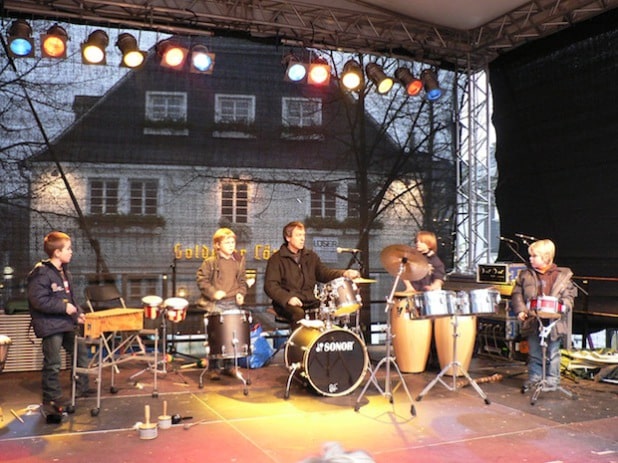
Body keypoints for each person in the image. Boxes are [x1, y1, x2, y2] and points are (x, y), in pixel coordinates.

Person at [27, 231, 90, 407]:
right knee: (53, 362)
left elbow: (70, 298)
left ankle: (81, 388)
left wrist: (77, 313)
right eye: (68, 249)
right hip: (50, 324)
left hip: (66, 322)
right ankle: (51, 396)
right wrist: (64, 308)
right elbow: (38, 300)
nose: (71, 252)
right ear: (57, 252)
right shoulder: (41, 273)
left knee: (80, 352)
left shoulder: (65, 272)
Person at [264, 221, 360, 326]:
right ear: (288, 238)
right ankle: (301, 342)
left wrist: (344, 273)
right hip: (287, 303)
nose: (302, 238)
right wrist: (288, 298)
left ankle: (327, 340)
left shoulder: (310, 256)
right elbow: (270, 286)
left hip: (309, 300)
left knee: (331, 310)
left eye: (303, 235)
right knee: (298, 313)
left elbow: (324, 273)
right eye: (298, 235)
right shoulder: (276, 259)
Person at [511, 239, 576, 391]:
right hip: (533, 319)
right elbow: (517, 294)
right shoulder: (525, 274)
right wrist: (521, 310)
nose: (530, 258)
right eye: (530, 256)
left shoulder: (562, 276)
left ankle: (552, 381)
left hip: (554, 322)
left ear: (546, 257)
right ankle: (535, 378)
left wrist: (563, 307)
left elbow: (568, 297)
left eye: (534, 256)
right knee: (534, 352)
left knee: (553, 353)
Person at [196, 227, 247, 380]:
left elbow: (242, 281)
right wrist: (213, 292)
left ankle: (230, 366)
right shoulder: (210, 262)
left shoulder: (239, 260)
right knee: (216, 336)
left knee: (232, 336)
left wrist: (241, 293)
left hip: (232, 303)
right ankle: (214, 367)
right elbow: (202, 280)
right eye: (227, 242)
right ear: (217, 245)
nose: (231, 245)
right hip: (216, 304)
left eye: (233, 242)